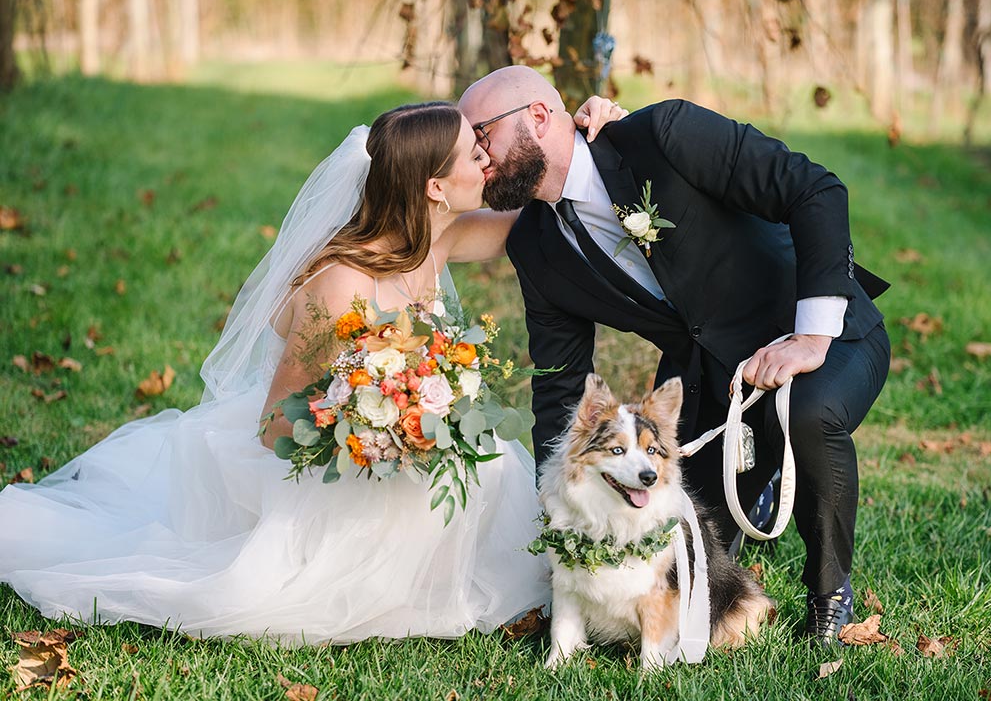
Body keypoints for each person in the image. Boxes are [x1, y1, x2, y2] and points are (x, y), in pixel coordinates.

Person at [0, 97, 624, 645]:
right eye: (472, 153)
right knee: (257, 593)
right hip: (334, 462)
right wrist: (376, 433)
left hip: (407, 447)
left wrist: (589, 129)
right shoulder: (340, 284)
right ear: (436, 186)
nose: (487, 160)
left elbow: (545, 201)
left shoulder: (441, 238)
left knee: (487, 477)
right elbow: (274, 422)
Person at [458, 66, 892, 648]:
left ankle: (828, 594)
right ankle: (752, 473)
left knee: (805, 414)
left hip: (825, 336)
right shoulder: (537, 246)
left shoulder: (664, 136)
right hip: (709, 377)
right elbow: (561, 386)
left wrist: (811, 336)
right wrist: (557, 495)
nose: (477, 156)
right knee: (682, 545)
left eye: (482, 135)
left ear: (538, 118)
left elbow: (813, 189)